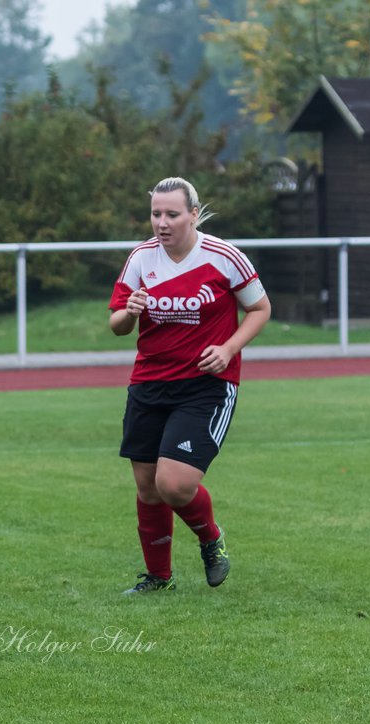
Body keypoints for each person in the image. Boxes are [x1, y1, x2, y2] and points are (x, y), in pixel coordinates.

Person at [109, 177, 271, 595]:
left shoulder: (222, 256)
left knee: (174, 484)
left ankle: (210, 538)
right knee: (147, 486)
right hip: (149, 383)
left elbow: (260, 307)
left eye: (172, 214)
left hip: (206, 386)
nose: (162, 223)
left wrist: (230, 347)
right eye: (156, 214)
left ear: (193, 214)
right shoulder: (142, 258)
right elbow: (117, 326)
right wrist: (129, 311)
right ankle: (159, 578)